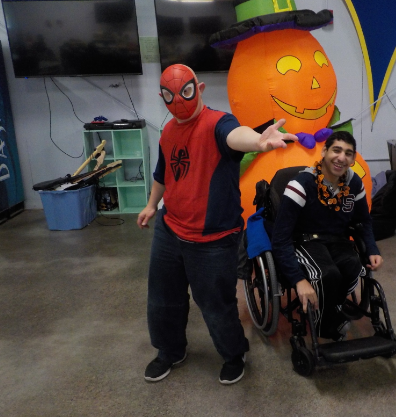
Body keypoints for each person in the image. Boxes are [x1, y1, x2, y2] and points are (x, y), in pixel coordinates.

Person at [137, 64, 297, 385]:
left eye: (185, 92)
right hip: (170, 229)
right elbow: (162, 174)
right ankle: (170, 350)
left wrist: (258, 141)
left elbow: (236, 136)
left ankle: (234, 354)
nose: (179, 101)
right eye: (170, 95)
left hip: (212, 238)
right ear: (162, 97)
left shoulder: (218, 123)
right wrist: (152, 205)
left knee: (216, 305)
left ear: (199, 89)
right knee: (162, 299)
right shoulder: (168, 132)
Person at [271, 131, 383, 341]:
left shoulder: (354, 183)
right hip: (304, 240)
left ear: (353, 158)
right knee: (327, 274)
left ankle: (329, 308)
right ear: (324, 151)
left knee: (353, 266)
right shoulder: (301, 185)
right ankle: (325, 326)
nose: (341, 157)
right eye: (336, 150)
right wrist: (298, 280)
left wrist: (372, 248)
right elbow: (280, 238)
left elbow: (364, 221)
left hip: (337, 239)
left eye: (348, 153)